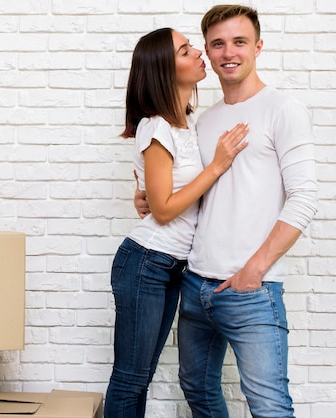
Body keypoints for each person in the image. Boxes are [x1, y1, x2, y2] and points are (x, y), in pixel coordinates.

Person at [133, 5, 318, 417]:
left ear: (258, 46)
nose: (228, 52)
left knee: (268, 405)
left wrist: (255, 270)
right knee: (197, 393)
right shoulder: (203, 120)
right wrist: (149, 198)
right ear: (207, 51)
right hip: (195, 284)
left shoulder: (283, 109)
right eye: (217, 44)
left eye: (239, 41)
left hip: (252, 290)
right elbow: (193, 189)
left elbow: (305, 198)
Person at [103, 27, 249, 418]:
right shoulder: (157, 126)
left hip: (171, 266)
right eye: (186, 50)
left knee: (143, 375)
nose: (200, 52)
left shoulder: (186, 125)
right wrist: (218, 166)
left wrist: (146, 196)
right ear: (165, 70)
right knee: (131, 378)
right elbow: (164, 210)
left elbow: (156, 196)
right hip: (146, 264)